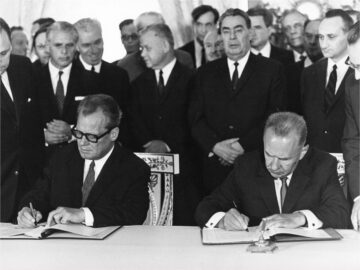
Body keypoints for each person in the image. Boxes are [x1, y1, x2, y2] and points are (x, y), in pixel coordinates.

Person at [195, 112, 350, 230]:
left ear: (302, 152)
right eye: (268, 154)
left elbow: (340, 213)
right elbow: (206, 207)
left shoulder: (323, 165)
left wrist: (300, 218)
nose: (274, 166)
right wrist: (222, 219)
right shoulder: (247, 166)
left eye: (284, 159)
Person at [189, 8, 286, 195]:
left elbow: (275, 117)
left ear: (249, 33)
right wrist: (216, 147)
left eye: (238, 30)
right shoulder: (205, 74)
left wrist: (239, 147)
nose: (232, 37)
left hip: (255, 166)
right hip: (213, 171)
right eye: (226, 31)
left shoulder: (272, 70)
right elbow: (194, 118)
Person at [17, 94, 150, 228]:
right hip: (62, 245)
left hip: (109, 246)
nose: (82, 143)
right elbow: (39, 194)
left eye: (91, 136)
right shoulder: (62, 157)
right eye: (78, 133)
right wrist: (28, 210)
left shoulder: (134, 168)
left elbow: (133, 214)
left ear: (113, 134)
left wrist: (83, 214)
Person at [131, 23, 200, 225]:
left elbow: (194, 119)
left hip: (186, 170)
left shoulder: (193, 79)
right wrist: (149, 142)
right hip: (149, 170)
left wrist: (167, 143)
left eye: (147, 48)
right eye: (141, 48)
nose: (142, 53)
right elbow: (133, 120)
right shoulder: (138, 83)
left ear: (165, 46)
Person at [0, 18, 44, 222]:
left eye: (4, 53)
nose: (0, 61)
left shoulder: (23, 67)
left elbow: (33, 125)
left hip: (27, 191)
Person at [73, 18, 131, 147]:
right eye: (86, 45)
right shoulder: (68, 75)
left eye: (97, 42)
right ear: (77, 46)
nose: (94, 50)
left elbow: (127, 119)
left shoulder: (119, 75)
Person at [301, 10, 354, 153]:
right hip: (315, 160)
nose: (324, 44)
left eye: (331, 37)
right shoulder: (309, 73)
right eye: (321, 37)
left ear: (349, 35)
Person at [35, 21, 85, 152]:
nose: (64, 51)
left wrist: (72, 133)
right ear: (47, 46)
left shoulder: (91, 80)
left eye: (69, 45)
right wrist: (41, 136)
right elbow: (22, 122)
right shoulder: (32, 79)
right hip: (41, 160)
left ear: (76, 46)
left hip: (77, 158)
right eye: (58, 45)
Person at [115, 11, 194, 82]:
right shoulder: (127, 65)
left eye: (161, 28)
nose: (158, 33)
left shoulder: (183, 57)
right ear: (139, 34)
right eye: (151, 29)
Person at [342, 21, 360, 230]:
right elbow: (353, 142)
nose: (357, 76)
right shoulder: (353, 84)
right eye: (353, 65)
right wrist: (358, 196)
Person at [286, 19, 323, 114]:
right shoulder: (288, 72)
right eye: (308, 36)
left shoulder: (338, 70)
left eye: (318, 37)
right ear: (302, 37)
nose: (312, 41)